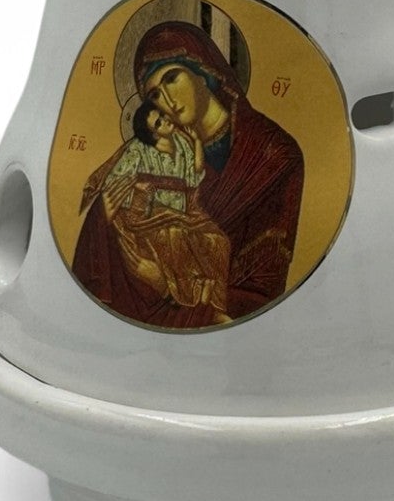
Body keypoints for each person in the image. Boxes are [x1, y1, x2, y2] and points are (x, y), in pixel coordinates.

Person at [71, 20, 305, 328]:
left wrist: (168, 285)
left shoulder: (273, 154)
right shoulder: (155, 149)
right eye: (154, 95)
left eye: (172, 78)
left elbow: (262, 288)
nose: (167, 100)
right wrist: (101, 216)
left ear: (203, 71)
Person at [79, 99, 230, 319]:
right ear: (152, 134)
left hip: (183, 213)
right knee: (175, 237)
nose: (166, 120)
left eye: (162, 115)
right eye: (158, 123)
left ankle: (214, 302)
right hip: (149, 217)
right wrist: (138, 188)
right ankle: (192, 294)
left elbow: (195, 175)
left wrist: (197, 142)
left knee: (219, 241)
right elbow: (115, 183)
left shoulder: (182, 142)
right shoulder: (137, 150)